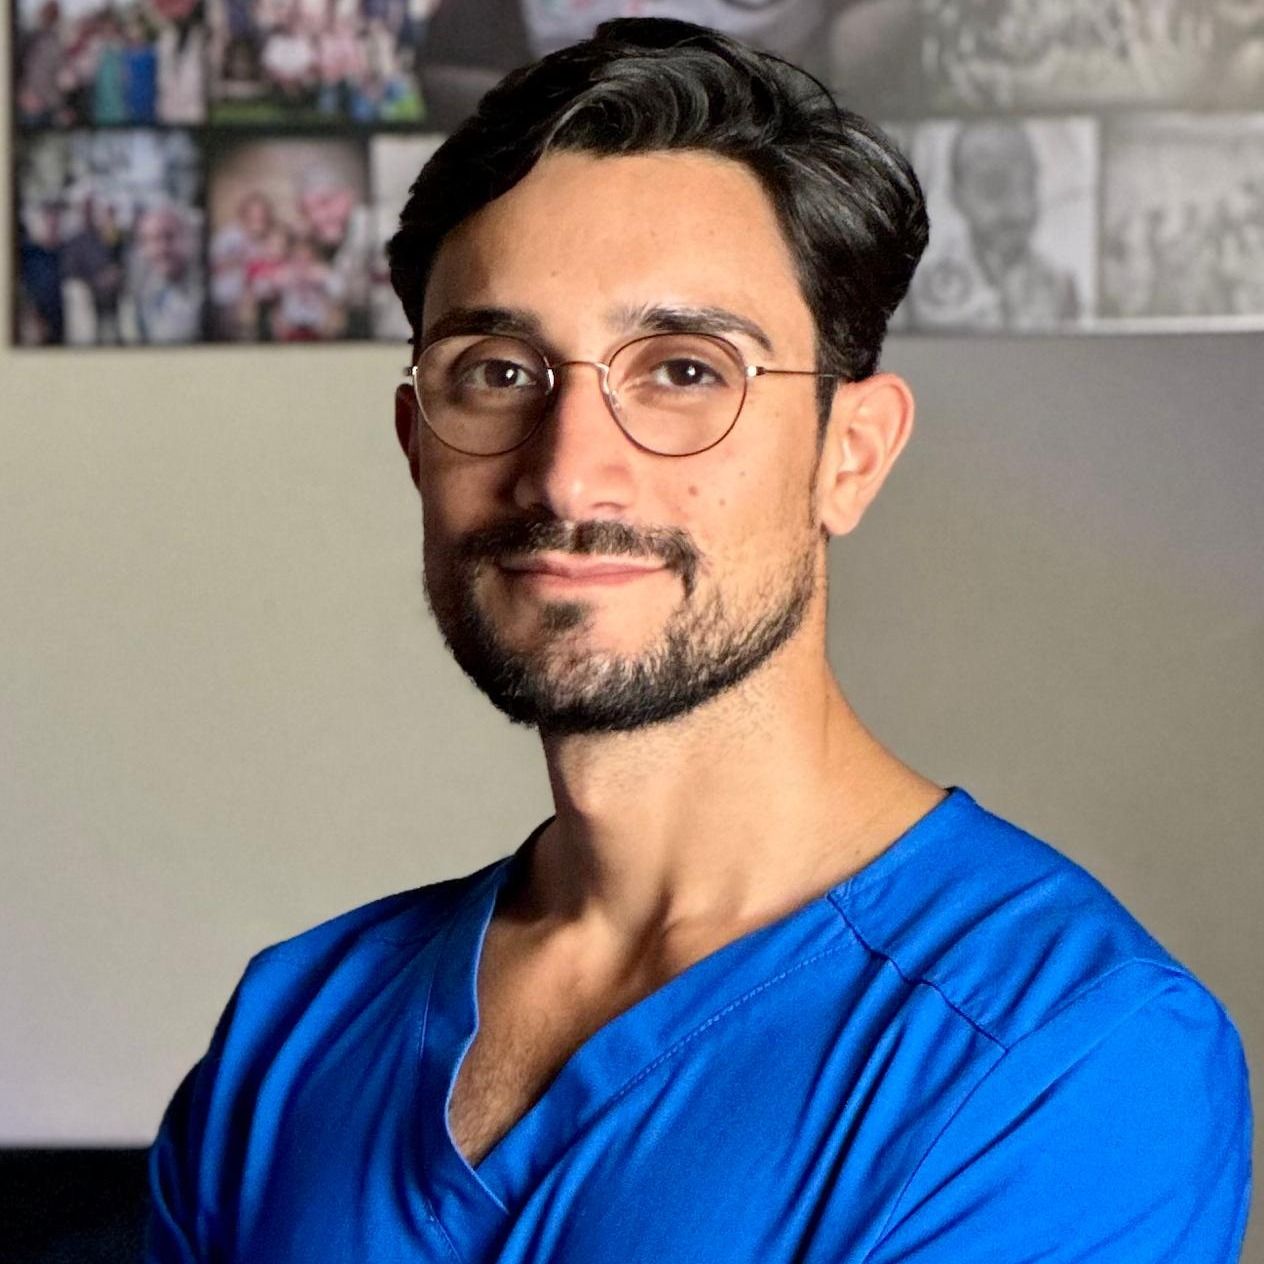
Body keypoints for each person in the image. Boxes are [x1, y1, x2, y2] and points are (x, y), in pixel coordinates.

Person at [146, 18, 1253, 1262]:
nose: (569, 472)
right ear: (417, 445)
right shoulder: (293, 1031)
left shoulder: (1064, 1059)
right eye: (498, 372)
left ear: (850, 454)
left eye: (682, 371)